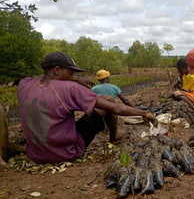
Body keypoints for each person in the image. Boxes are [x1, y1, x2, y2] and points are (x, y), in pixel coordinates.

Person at [17, 52, 155, 164]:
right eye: (71, 74)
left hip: (35, 154)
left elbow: (41, 77)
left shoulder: (25, 84)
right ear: (57, 70)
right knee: (107, 99)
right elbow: (117, 108)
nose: (72, 77)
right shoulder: (70, 88)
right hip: (66, 152)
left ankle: (112, 137)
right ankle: (114, 138)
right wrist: (144, 113)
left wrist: (75, 78)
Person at [91, 69, 133, 143]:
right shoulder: (114, 87)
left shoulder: (93, 89)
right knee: (112, 126)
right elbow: (125, 100)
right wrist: (133, 109)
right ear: (107, 78)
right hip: (110, 109)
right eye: (108, 77)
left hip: (99, 111)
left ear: (99, 80)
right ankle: (113, 139)